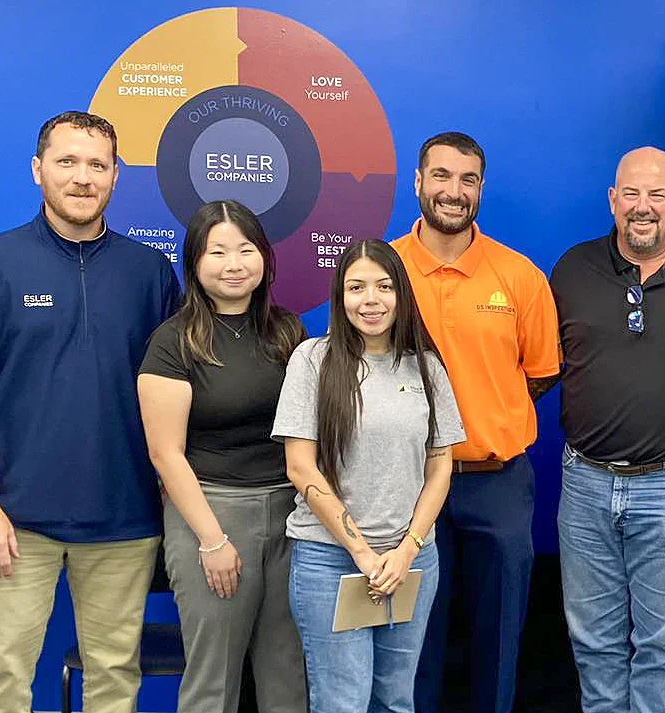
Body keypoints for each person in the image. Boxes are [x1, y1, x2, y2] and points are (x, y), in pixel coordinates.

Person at [0, 111, 180, 713]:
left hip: (124, 521)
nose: (83, 177)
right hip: (12, 523)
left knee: (116, 680)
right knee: (2, 683)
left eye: (97, 164)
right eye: (67, 162)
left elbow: (175, 394)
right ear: (39, 171)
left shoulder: (150, 273)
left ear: (117, 176)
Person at [550, 146, 665, 713]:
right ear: (612, 200)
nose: (642, 207)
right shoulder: (572, 269)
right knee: (595, 645)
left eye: (656, 194)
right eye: (631, 193)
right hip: (585, 483)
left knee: (663, 647)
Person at [391, 132, 561, 713]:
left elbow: (540, 374)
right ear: (417, 182)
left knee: (499, 640)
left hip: (497, 481)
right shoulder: (381, 270)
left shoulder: (520, 277)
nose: (453, 191)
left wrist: (488, 414)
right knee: (412, 641)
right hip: (405, 485)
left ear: (481, 189)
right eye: (440, 176)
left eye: (467, 180)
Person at [272, 239, 465, 713]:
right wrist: (361, 551)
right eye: (356, 288)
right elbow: (301, 467)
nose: (371, 300)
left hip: (411, 562)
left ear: (401, 293)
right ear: (340, 296)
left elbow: (440, 466)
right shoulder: (312, 361)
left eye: (383, 286)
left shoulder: (427, 367)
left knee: (395, 699)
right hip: (330, 562)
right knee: (343, 702)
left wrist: (406, 551)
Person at [137, 200, 307, 712]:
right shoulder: (173, 342)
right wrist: (212, 541)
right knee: (213, 679)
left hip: (292, 517)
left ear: (264, 258)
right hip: (212, 515)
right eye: (217, 252)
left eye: (245, 249)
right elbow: (165, 454)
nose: (234, 263)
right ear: (194, 263)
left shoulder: (288, 332)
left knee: (287, 674)